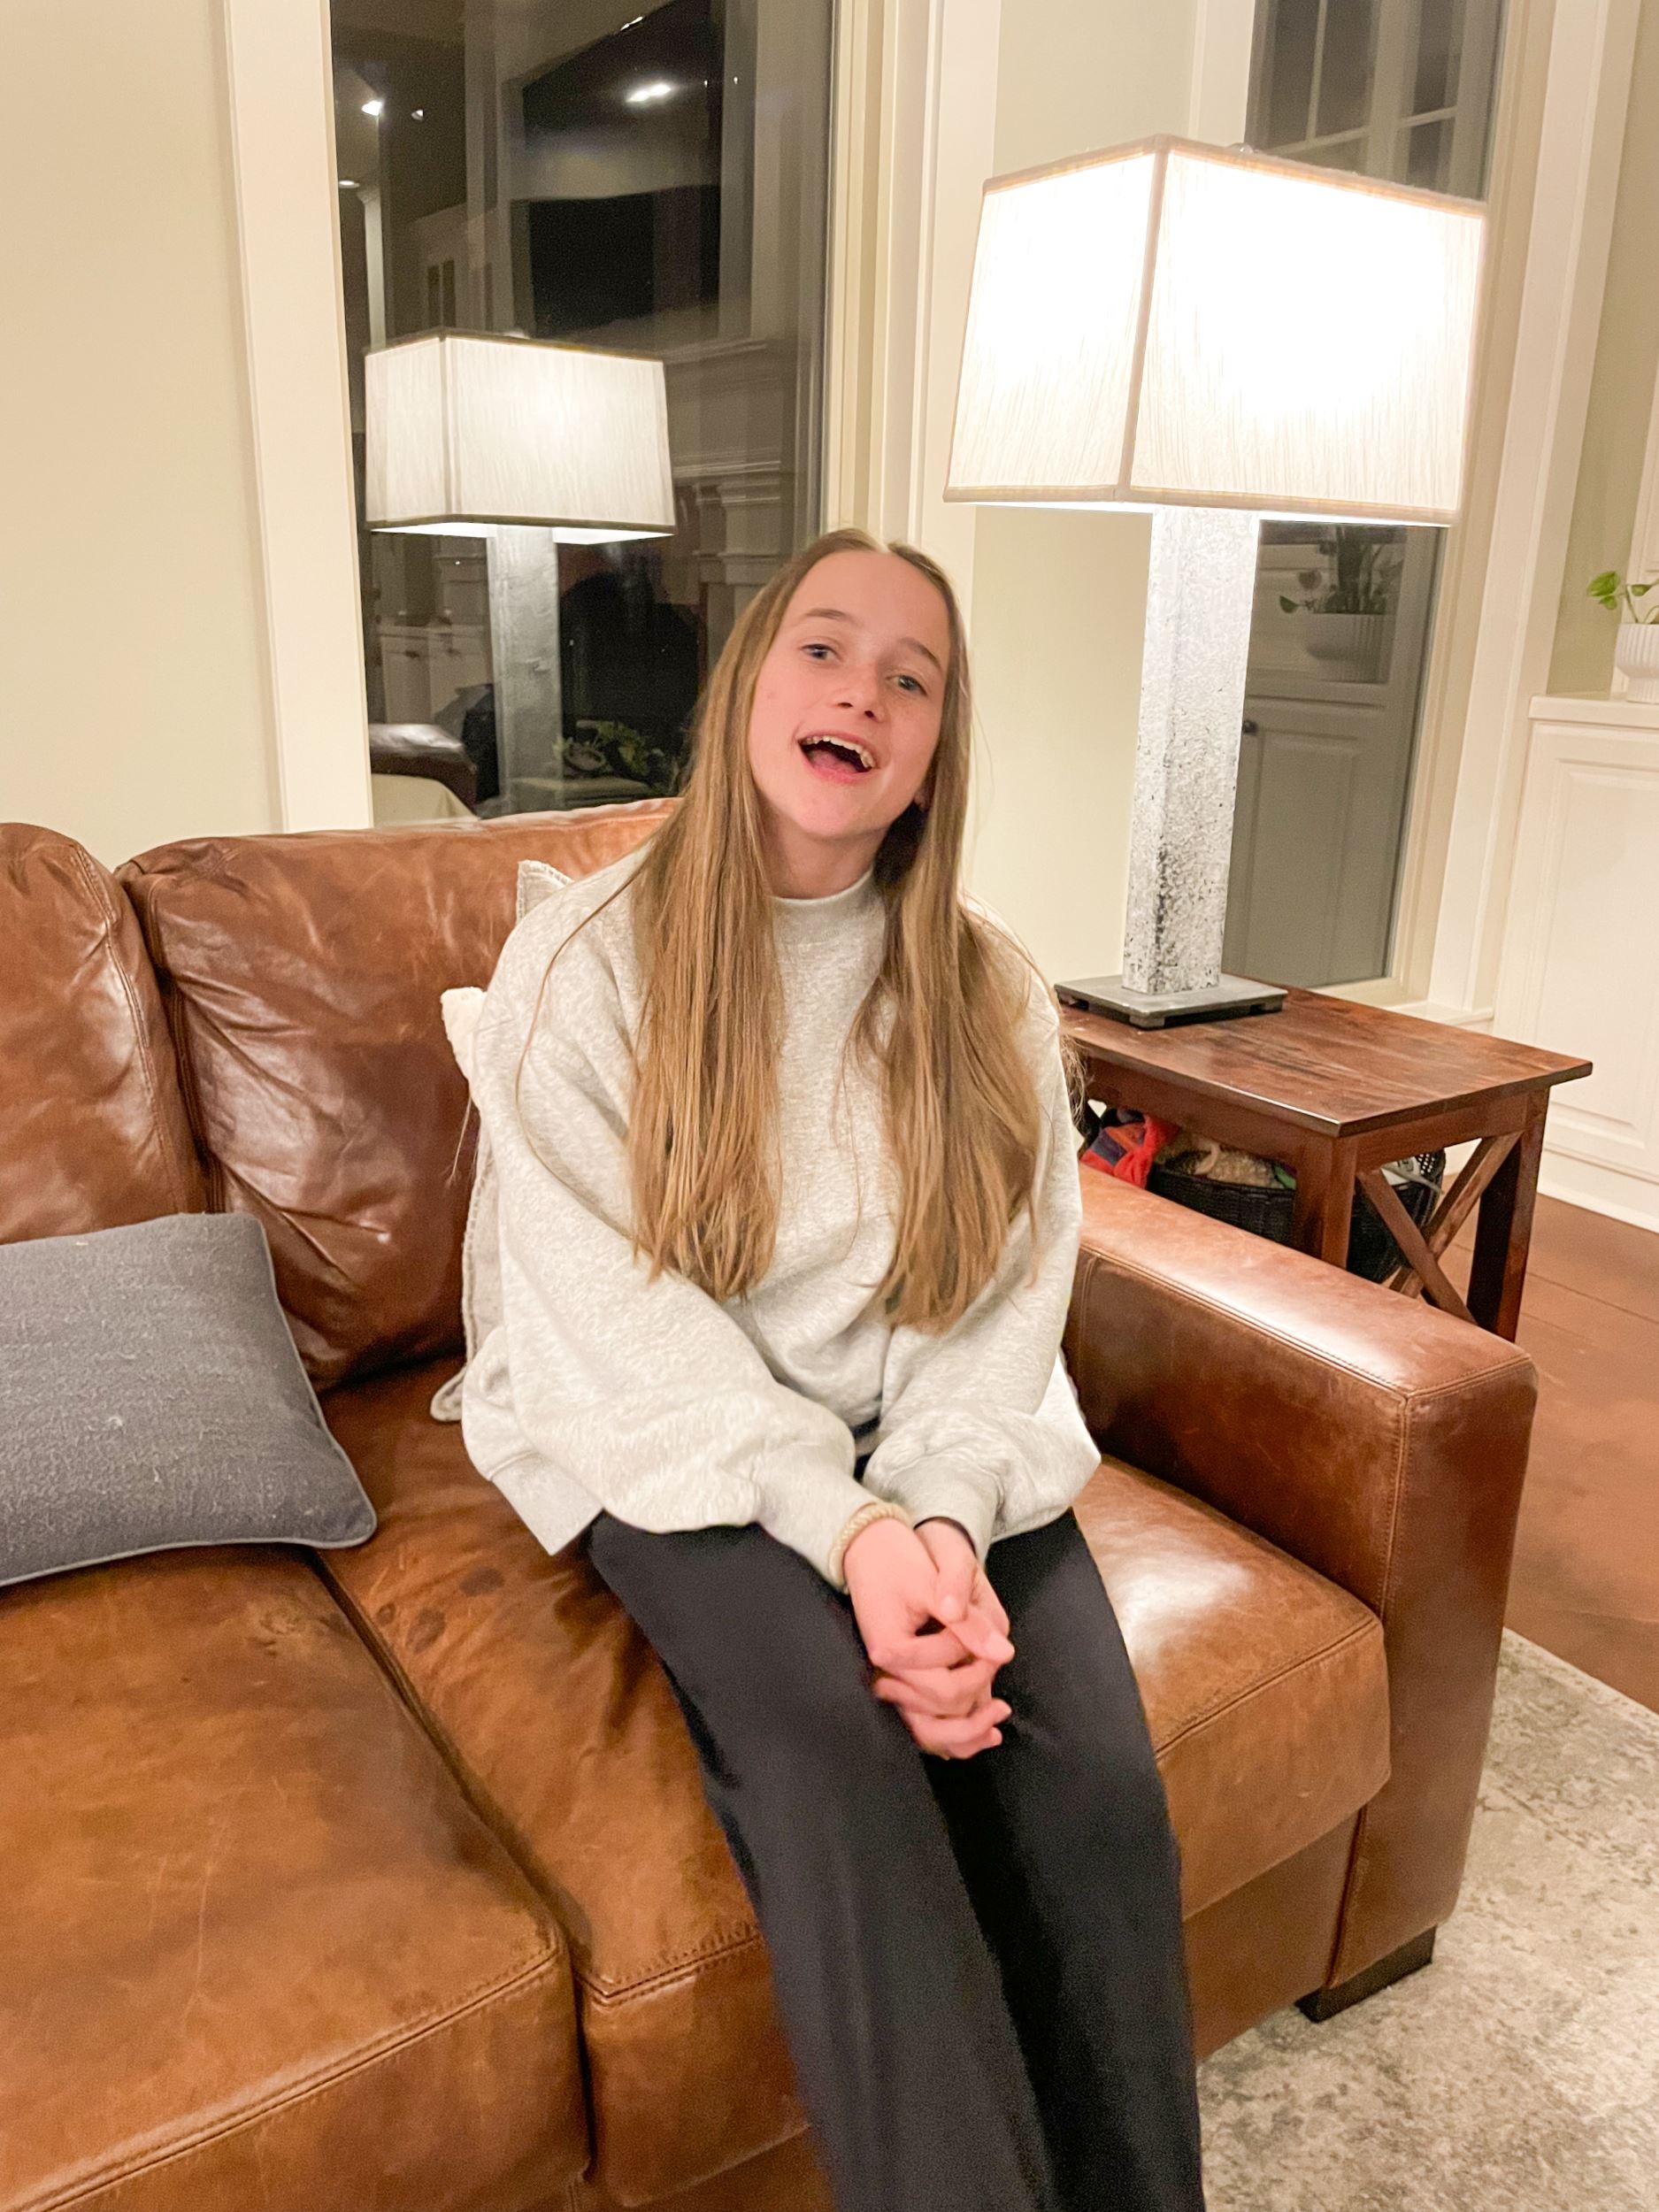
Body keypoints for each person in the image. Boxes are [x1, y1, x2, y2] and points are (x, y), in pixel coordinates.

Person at [437, 526, 1208, 2212]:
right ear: (747, 687)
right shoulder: (585, 966)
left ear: (932, 754)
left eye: (910, 679)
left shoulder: (991, 993)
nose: (862, 691)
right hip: (672, 1437)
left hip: (927, 1438)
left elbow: (1002, 1295)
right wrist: (845, 1534)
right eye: (825, 647)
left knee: (1085, 1782)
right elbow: (612, 1323)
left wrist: (936, 1517)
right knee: (838, 1760)